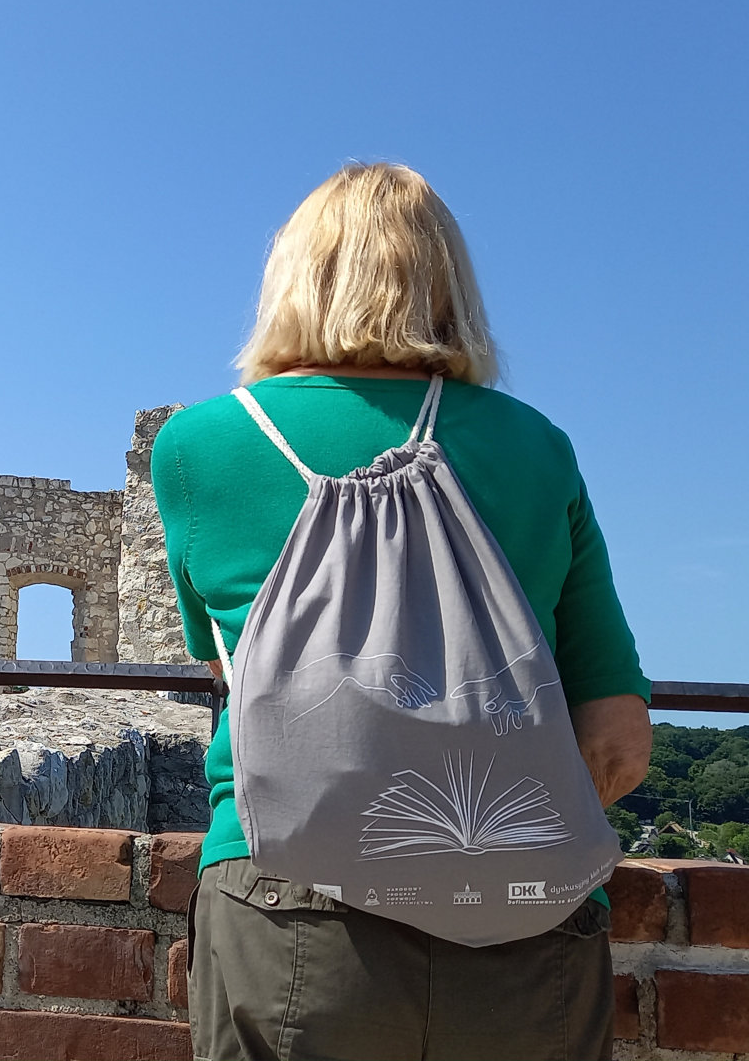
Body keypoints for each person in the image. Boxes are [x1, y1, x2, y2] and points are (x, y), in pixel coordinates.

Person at [152, 162, 653, 1061]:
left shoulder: (199, 445)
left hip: (285, 901)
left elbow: (228, 659)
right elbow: (618, 739)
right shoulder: (537, 445)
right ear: (448, 285)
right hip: (524, 918)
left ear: (293, 278)